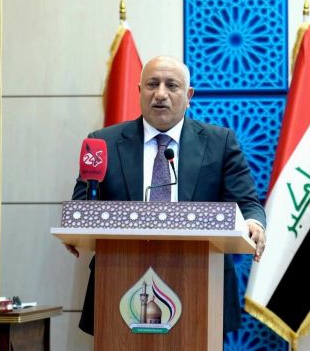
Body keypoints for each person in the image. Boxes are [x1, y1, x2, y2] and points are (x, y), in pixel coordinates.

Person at [67, 55, 267, 335]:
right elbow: (82, 203)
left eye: (171, 85)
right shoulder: (104, 142)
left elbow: (246, 203)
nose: (160, 94)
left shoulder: (219, 142)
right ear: (139, 91)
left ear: (189, 95)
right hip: (118, 279)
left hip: (202, 280)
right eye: (152, 84)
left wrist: (254, 223)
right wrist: (76, 229)